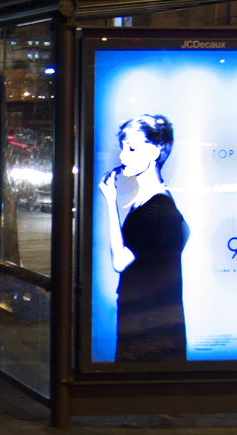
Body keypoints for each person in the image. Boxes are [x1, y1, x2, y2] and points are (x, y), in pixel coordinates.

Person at [96, 114, 189, 362]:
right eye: (123, 147)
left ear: (156, 150)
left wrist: (110, 202)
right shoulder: (151, 202)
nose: (123, 156)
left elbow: (120, 262)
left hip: (148, 322)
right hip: (150, 316)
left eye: (132, 148)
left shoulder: (156, 208)